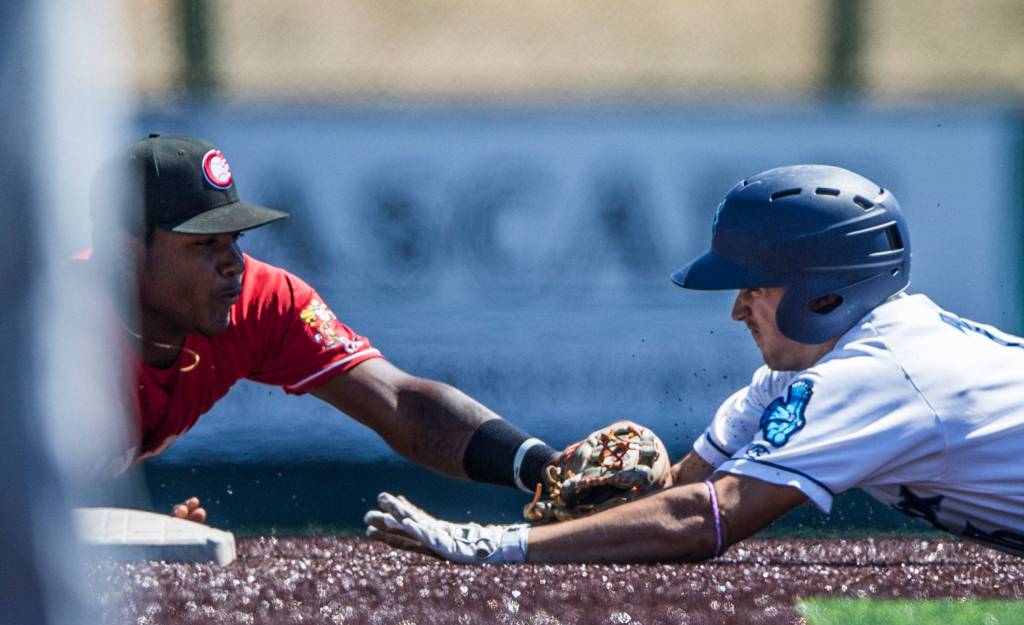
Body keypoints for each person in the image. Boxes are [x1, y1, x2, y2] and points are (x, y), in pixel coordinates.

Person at [366, 164, 1024, 563]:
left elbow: (703, 521)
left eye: (754, 287)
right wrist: (607, 507)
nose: (738, 311)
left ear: (825, 293)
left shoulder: (872, 376)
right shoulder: (806, 373)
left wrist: (493, 545)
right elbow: (681, 491)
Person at [88, 134, 567, 521]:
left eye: (234, 238)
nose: (233, 263)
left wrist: (546, 468)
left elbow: (401, 404)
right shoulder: (47, 331)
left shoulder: (259, 300)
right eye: (203, 243)